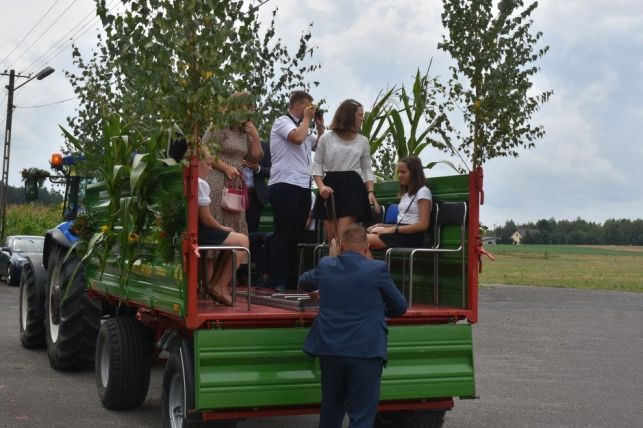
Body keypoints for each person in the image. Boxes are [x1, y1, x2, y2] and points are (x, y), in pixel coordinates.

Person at [299, 224, 408, 428]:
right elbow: (400, 307)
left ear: (340, 246)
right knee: (362, 416)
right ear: (367, 248)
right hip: (365, 350)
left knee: (330, 411)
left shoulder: (326, 265)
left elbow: (304, 281)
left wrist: (321, 284)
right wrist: (376, 310)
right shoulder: (377, 269)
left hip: (330, 350)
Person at [268, 90, 324, 292]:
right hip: (284, 183)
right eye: (309, 107)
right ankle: (278, 279)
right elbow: (298, 139)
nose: (311, 111)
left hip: (302, 185)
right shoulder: (282, 121)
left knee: (295, 234)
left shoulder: (305, 126)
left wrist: (319, 126)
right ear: (299, 106)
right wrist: (307, 120)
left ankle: (291, 278)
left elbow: (319, 145)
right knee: (283, 232)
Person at [310, 99, 379, 241]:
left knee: (342, 237)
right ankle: (335, 262)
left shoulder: (363, 141)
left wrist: (371, 191)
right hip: (329, 188)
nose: (363, 118)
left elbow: (366, 168)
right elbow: (316, 164)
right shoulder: (326, 138)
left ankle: (341, 261)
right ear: (349, 115)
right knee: (332, 240)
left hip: (352, 188)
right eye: (360, 115)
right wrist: (321, 187)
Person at [202, 91, 263, 236]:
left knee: (237, 227)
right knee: (218, 226)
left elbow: (255, 158)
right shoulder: (219, 125)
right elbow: (205, 152)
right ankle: (212, 257)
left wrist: (255, 136)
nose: (248, 111)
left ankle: (234, 257)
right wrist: (227, 168)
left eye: (250, 107)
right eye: (244, 106)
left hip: (236, 186)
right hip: (217, 181)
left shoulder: (244, 131)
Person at [196, 147, 249, 306]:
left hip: (196, 229)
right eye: (208, 164)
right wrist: (221, 227)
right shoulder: (200, 184)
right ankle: (219, 286)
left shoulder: (186, 180)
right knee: (243, 241)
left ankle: (214, 284)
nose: (211, 169)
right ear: (196, 163)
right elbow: (205, 219)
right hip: (200, 231)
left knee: (233, 241)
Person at [367, 155, 432, 250]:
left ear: (414, 173)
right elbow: (404, 221)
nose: (399, 175)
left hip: (412, 237)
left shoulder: (423, 191)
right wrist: (384, 226)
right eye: (398, 172)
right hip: (400, 233)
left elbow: (423, 225)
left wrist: (393, 229)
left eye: (403, 172)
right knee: (355, 238)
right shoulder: (406, 194)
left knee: (359, 241)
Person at [243, 141, 271, 234]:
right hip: (236, 193)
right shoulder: (237, 144)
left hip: (255, 196)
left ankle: (250, 248)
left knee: (251, 230)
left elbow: (271, 171)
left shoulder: (265, 147)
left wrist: (257, 168)